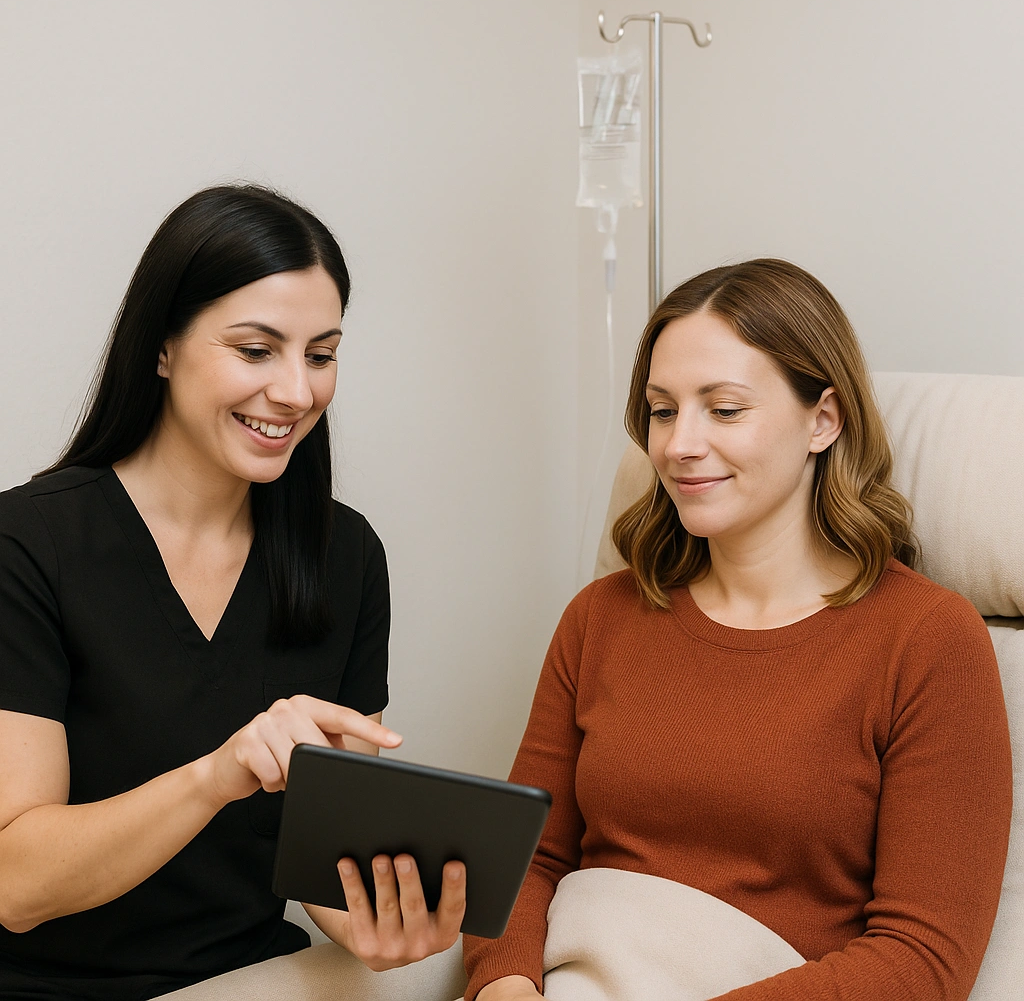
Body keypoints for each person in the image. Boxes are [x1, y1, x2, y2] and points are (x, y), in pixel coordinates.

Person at [463, 259, 1013, 1001]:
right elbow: (525, 860)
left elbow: (922, 959)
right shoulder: (600, 618)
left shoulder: (928, 641)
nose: (679, 444)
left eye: (723, 410)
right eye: (662, 410)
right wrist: (505, 987)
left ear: (824, 419)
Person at [0, 185, 465, 1000]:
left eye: (321, 355)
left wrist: (379, 921)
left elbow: (326, 862)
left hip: (254, 980)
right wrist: (217, 775)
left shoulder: (345, 554)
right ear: (163, 346)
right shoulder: (30, 546)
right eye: (257, 350)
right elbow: (16, 883)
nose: (296, 391)